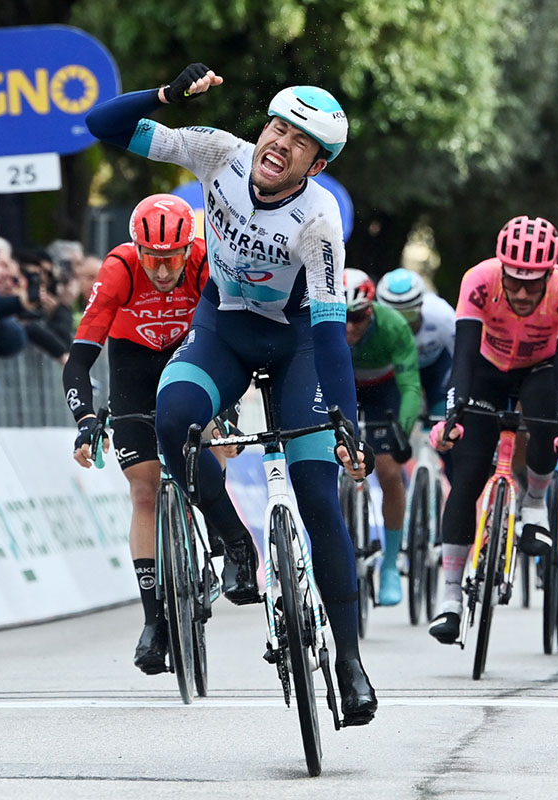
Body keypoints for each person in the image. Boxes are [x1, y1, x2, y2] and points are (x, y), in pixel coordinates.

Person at [85, 63, 377, 724]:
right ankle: (236, 546)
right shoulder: (218, 152)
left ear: (318, 163)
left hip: (298, 344)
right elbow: (102, 124)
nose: (281, 143)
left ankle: (351, 664)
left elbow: (331, 335)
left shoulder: (319, 217)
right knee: (174, 417)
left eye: (300, 142)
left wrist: (344, 421)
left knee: (316, 497)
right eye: (278, 126)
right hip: (224, 328)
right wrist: (166, 96)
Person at [62, 193, 254, 674]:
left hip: (191, 355)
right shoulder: (119, 269)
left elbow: (233, 337)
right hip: (134, 367)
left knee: (210, 443)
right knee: (144, 491)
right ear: (137, 249)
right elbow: (79, 359)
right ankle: (153, 622)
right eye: (154, 258)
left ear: (188, 249)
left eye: (172, 258)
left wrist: (225, 409)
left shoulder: (206, 261)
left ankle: (222, 538)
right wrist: (86, 419)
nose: (164, 270)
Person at [427, 215, 558, 644]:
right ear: (501, 269)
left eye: (532, 284)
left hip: (542, 367)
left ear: (550, 275)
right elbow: (461, 360)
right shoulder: (478, 280)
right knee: (467, 475)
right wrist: (452, 417)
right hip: (486, 367)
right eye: (513, 280)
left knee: (546, 418)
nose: (519, 292)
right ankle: (450, 600)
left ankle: (534, 502)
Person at [343, 267, 421, 607]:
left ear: (371, 311)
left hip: (382, 393)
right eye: (342, 318)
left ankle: (390, 565)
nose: (349, 327)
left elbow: (410, 386)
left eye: (357, 318)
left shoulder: (393, 326)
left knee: (390, 472)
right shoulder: (319, 323)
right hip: (341, 388)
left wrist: (401, 432)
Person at [376, 268, 456, 417]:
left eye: (408, 314)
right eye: (394, 315)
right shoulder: (377, 323)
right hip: (399, 368)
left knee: (443, 411)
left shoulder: (442, 315)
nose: (402, 323)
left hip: (436, 366)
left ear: (421, 305)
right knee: (393, 414)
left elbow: (460, 356)